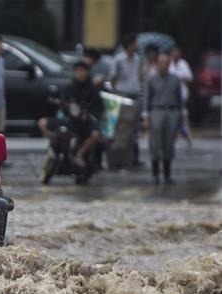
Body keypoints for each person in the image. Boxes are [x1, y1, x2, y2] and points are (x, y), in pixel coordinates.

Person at [38, 61, 104, 167]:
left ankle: (79, 154)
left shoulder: (93, 89)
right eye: (77, 71)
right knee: (42, 123)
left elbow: (98, 108)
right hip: (70, 120)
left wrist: (87, 115)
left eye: (82, 70)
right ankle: (56, 145)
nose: (79, 73)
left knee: (95, 135)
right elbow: (63, 105)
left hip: (86, 122)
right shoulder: (69, 88)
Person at [144, 53, 183, 184]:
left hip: (172, 111)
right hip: (156, 110)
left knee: (169, 143)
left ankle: (167, 174)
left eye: (166, 63)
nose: (163, 65)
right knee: (155, 142)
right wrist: (146, 116)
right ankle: (155, 174)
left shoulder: (175, 79)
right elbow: (147, 98)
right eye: (161, 63)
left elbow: (179, 99)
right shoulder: (151, 79)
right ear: (157, 64)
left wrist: (181, 116)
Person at [110, 33, 144, 167]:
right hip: (122, 95)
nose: (137, 45)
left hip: (135, 94)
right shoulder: (118, 59)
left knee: (134, 127)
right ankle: (119, 157)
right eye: (135, 43)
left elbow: (139, 75)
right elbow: (112, 77)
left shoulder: (138, 59)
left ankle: (134, 157)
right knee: (122, 127)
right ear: (129, 45)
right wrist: (116, 94)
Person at [168, 45, 193, 144]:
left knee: (183, 116)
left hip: (182, 95)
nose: (175, 54)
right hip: (170, 95)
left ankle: (187, 135)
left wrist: (180, 77)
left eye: (177, 52)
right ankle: (173, 136)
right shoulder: (168, 64)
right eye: (173, 52)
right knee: (172, 116)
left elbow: (190, 77)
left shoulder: (183, 64)